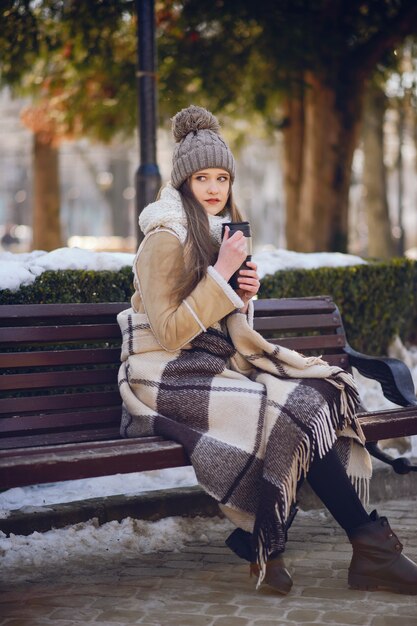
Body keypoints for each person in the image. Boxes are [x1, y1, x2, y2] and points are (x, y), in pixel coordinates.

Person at [118, 105, 417, 596]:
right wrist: (220, 277)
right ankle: (356, 548)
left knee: (310, 398)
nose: (215, 188)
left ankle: (321, 543)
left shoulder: (217, 235)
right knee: (285, 414)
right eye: (201, 178)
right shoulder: (164, 239)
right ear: (182, 183)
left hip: (208, 366)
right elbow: (170, 333)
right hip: (160, 374)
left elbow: (218, 323)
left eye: (222, 177)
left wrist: (242, 296)